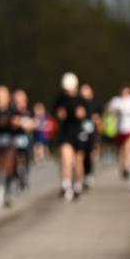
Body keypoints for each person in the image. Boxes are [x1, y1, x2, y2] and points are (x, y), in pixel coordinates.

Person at [53, 72, 88, 201]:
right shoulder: (60, 99)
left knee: (78, 161)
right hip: (66, 132)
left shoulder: (81, 99)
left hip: (78, 132)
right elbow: (56, 112)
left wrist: (82, 114)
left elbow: (86, 114)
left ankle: (77, 185)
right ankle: (66, 185)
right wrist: (59, 114)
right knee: (65, 159)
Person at [107, 85, 130, 180]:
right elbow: (108, 110)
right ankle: (122, 166)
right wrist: (116, 111)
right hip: (119, 129)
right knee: (121, 150)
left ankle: (127, 167)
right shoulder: (116, 101)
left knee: (128, 148)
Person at [10, 89, 35, 192]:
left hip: (26, 138)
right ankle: (16, 175)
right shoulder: (12, 110)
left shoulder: (29, 111)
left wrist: (27, 125)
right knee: (16, 157)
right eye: (17, 98)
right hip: (15, 138)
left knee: (26, 158)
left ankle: (24, 176)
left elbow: (33, 124)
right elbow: (12, 123)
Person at [78, 83, 101, 190]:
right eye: (82, 91)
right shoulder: (78, 104)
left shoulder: (95, 104)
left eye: (86, 90)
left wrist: (96, 121)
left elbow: (100, 121)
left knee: (89, 155)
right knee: (80, 155)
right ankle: (80, 178)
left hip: (92, 133)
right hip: (80, 133)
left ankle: (89, 174)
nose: (84, 93)